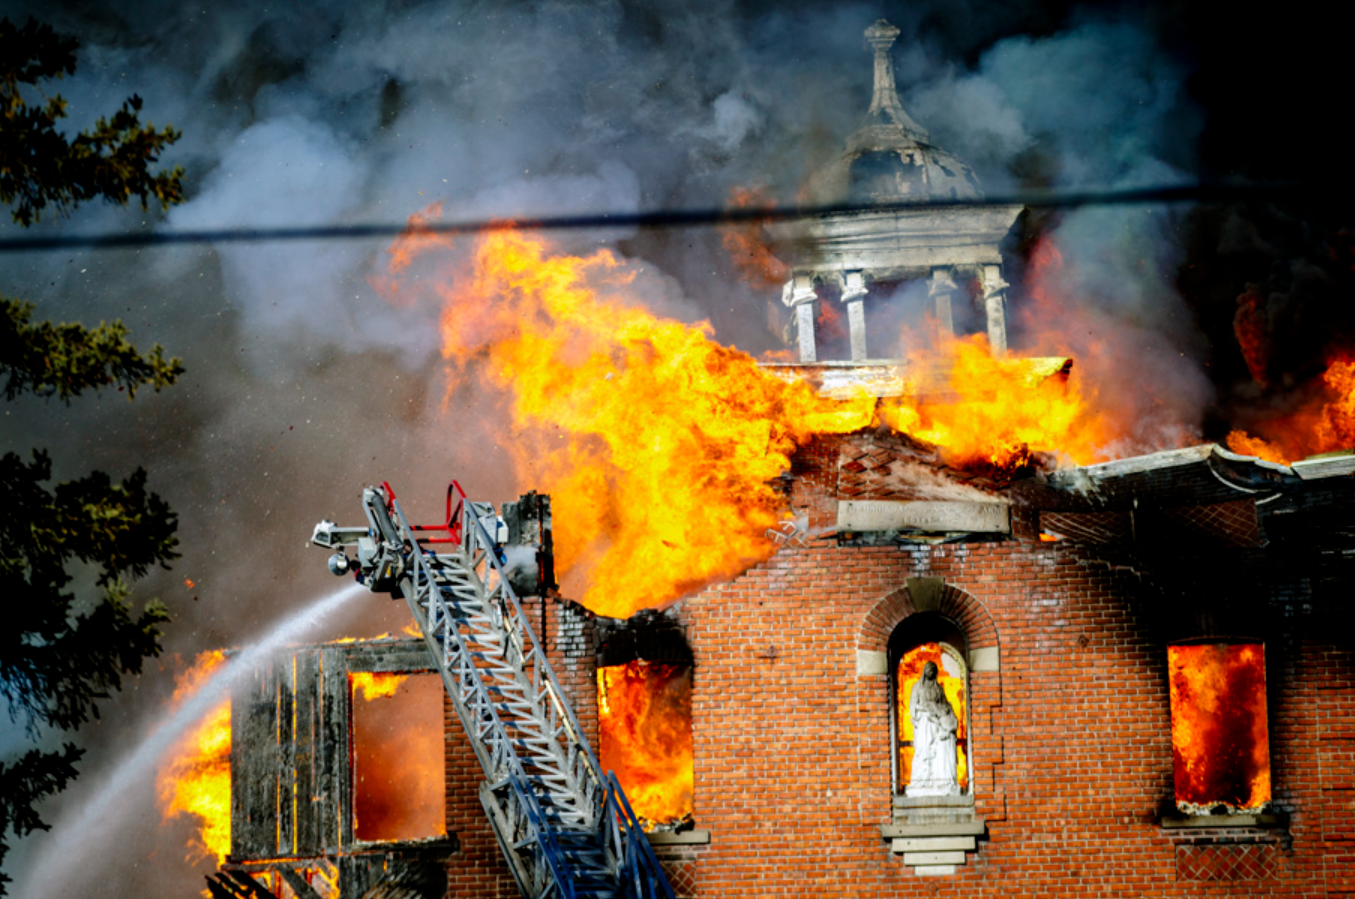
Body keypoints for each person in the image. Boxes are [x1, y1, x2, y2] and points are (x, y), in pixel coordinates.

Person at [907, 661, 959, 796]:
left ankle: (937, 779)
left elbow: (945, 704)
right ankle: (922, 780)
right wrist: (924, 709)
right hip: (924, 723)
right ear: (924, 672)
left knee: (938, 751)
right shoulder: (917, 687)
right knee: (923, 750)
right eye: (928, 670)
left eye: (933, 670)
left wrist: (939, 710)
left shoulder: (939, 689)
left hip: (937, 723)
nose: (930, 672)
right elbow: (912, 706)